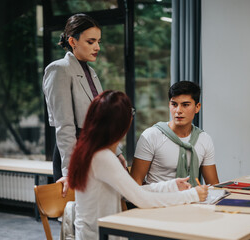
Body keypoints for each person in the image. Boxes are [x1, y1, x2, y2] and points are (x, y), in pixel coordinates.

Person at [68, 90, 208, 240]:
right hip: (100, 235)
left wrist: (171, 186)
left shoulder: (90, 151)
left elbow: (132, 191)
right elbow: (141, 199)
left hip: (96, 232)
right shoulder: (103, 157)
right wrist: (191, 195)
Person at [42, 13, 125, 197]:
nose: (97, 47)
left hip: (96, 149)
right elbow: (64, 126)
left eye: (99, 42)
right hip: (74, 150)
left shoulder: (91, 71)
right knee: (76, 216)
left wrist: (116, 152)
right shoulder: (59, 69)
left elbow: (101, 119)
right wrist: (69, 173)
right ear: (73, 41)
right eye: (91, 41)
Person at [130, 81, 219, 187]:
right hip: (158, 201)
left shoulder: (204, 139)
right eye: (174, 104)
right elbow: (135, 183)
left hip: (193, 200)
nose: (178, 110)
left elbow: (213, 186)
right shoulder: (151, 135)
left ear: (197, 107)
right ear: (169, 105)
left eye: (185, 105)